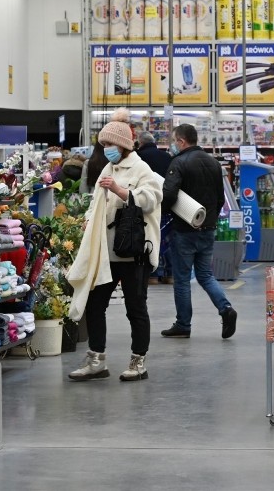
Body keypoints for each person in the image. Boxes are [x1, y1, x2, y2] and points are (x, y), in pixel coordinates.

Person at [68, 108, 162, 382]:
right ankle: (96, 359)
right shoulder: (108, 168)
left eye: (109, 144)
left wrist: (121, 191)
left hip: (134, 252)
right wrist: (88, 221)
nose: (106, 149)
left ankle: (138, 361)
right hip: (105, 252)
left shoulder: (141, 168)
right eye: (104, 144)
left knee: (136, 308)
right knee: (96, 305)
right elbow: (97, 204)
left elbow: (152, 199)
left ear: (122, 145)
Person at [160, 123, 237, 340]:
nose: (174, 145)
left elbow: (170, 195)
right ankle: (226, 308)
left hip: (185, 229)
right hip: (208, 228)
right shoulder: (213, 163)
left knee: (182, 278)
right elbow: (221, 198)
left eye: (175, 141)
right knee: (205, 274)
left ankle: (183, 324)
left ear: (182, 141)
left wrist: (161, 210)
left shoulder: (179, 162)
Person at [136, 131, 173, 285]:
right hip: (165, 203)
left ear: (141, 143)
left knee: (150, 236)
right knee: (165, 238)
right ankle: (170, 274)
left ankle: (152, 274)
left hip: (146, 204)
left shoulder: (138, 158)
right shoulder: (167, 157)